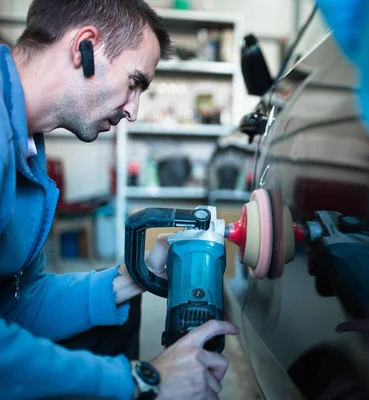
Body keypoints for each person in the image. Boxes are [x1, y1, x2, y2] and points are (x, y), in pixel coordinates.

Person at [0, 0, 239, 399]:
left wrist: (137, 276)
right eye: (134, 82)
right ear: (85, 47)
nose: (133, 110)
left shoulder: (26, 144)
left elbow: (17, 305)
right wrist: (142, 379)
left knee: (117, 318)